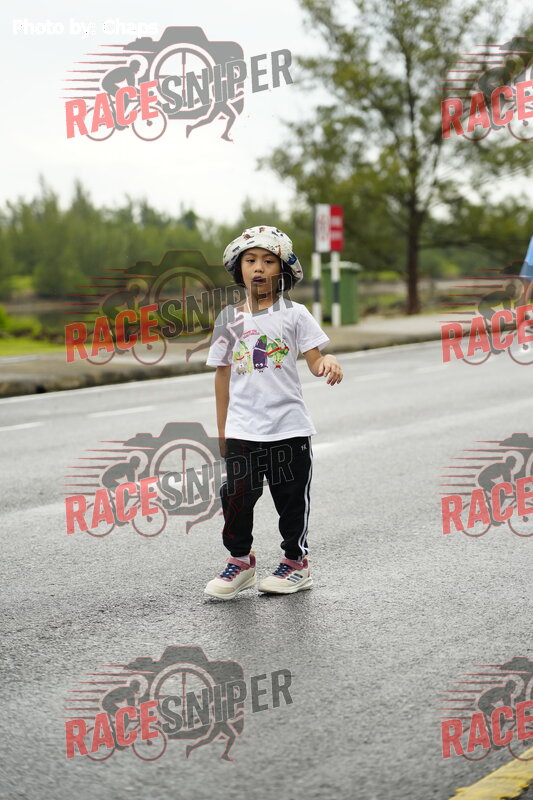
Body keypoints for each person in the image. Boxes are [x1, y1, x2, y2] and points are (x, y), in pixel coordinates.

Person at [203, 225, 343, 600]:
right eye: (250, 260)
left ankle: (296, 563)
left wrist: (328, 360)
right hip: (243, 430)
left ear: (282, 270)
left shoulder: (295, 314)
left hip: (289, 428)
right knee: (236, 496)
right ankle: (240, 562)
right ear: (239, 269)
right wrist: (223, 431)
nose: (259, 268)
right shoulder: (228, 319)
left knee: (291, 500)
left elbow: (315, 360)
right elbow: (222, 376)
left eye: (268, 261)